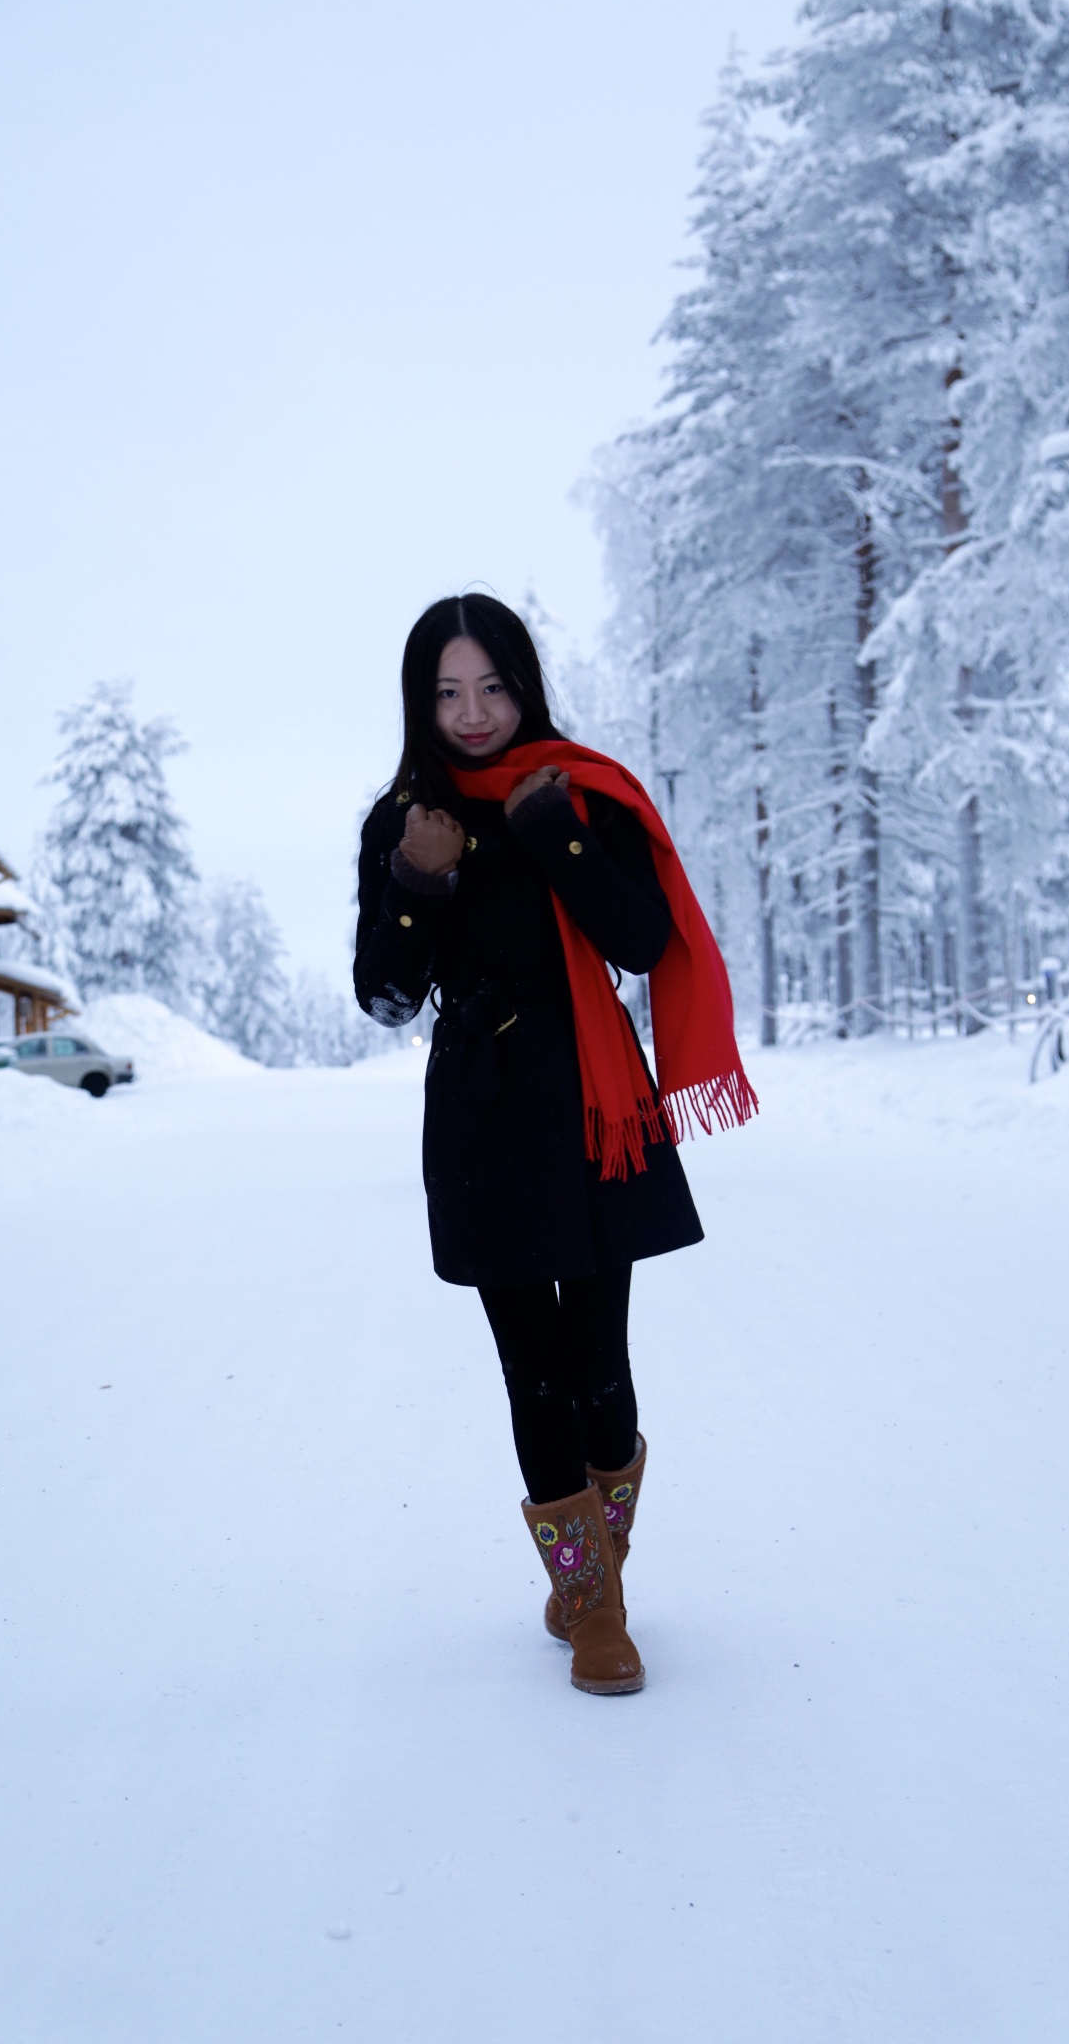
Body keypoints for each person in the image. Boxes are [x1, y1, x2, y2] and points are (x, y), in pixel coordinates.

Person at [353, 594, 755, 1696]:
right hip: (484, 1112)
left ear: (524, 685)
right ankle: (594, 1609)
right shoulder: (404, 817)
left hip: (593, 1106)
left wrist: (557, 836)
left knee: (601, 1370)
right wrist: (416, 880)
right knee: (532, 1370)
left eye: (492, 685)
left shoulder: (579, 792)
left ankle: (593, 1571)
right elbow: (385, 996)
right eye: (447, 691)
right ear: (421, 701)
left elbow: (641, 939)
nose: (472, 711)